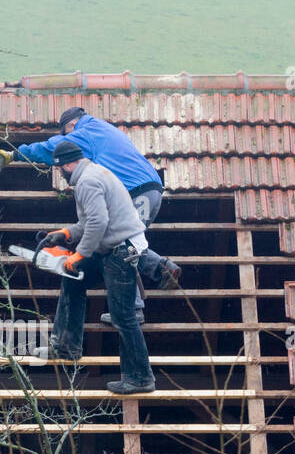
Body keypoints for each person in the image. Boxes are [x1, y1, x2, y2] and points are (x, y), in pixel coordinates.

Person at [17, 107, 181, 325]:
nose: (69, 138)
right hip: (148, 190)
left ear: (71, 125)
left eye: (67, 133)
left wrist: (17, 153)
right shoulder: (104, 129)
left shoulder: (87, 132)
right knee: (123, 243)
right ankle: (161, 269)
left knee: (122, 246)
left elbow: (53, 149)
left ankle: (133, 309)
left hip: (136, 192)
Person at [33, 141, 155, 394]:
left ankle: (141, 378)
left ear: (67, 164)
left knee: (123, 316)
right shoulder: (95, 173)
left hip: (123, 250)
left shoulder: (88, 181)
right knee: (73, 279)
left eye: (61, 169)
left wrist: (78, 255)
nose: (62, 175)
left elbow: (98, 223)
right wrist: (66, 233)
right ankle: (66, 348)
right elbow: (89, 222)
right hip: (115, 247)